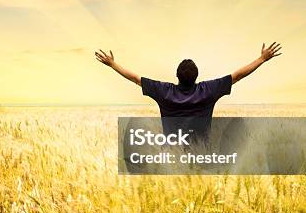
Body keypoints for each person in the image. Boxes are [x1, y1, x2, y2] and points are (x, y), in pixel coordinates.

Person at [95, 43, 282, 146]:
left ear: (176, 76)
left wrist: (113, 64)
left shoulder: (164, 91)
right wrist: (262, 59)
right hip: (201, 154)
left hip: (171, 154)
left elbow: (136, 79)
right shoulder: (208, 90)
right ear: (197, 77)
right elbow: (237, 76)